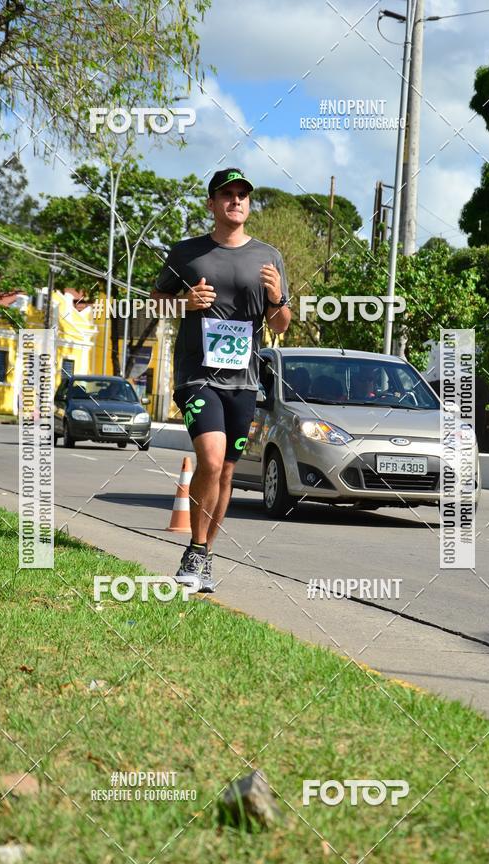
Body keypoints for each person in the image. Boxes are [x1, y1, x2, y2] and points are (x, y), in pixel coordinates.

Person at [153, 168, 291, 591]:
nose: (236, 200)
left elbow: (280, 324)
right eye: (227, 194)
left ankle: (206, 555)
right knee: (210, 460)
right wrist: (186, 303)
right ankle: (195, 550)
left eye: (242, 195)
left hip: (244, 380)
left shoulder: (268, 257)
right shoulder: (186, 253)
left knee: (227, 471)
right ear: (211, 204)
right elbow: (156, 304)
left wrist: (276, 297)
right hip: (197, 375)